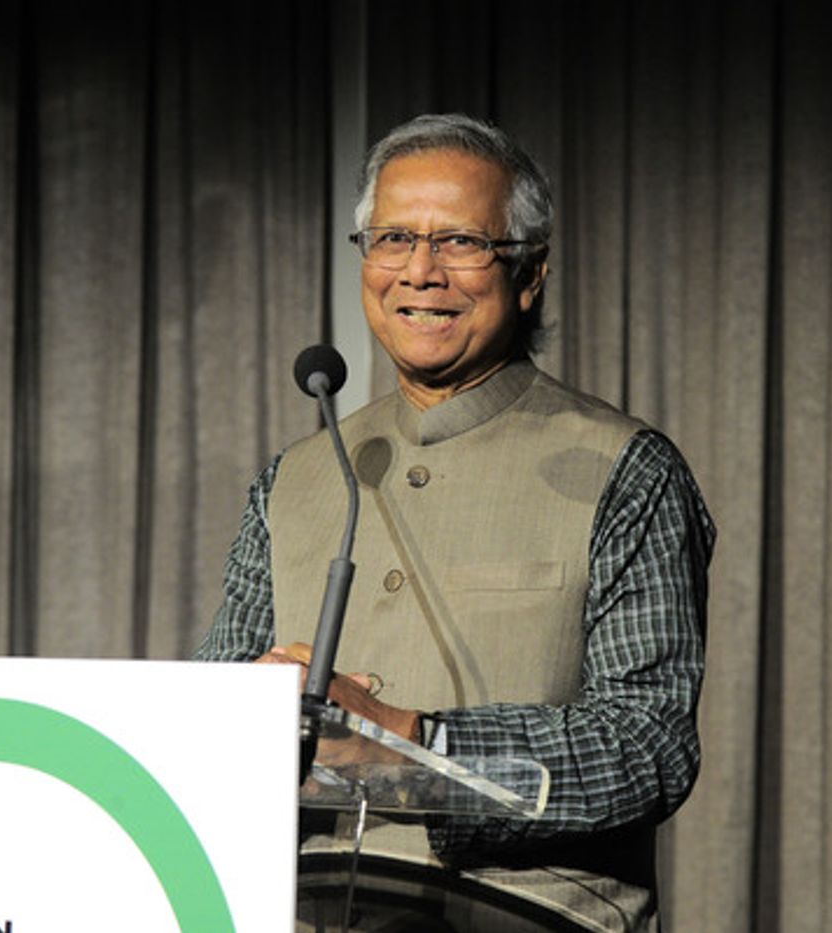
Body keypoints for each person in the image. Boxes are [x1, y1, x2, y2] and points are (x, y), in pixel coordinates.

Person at [196, 113, 714, 933]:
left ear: (529, 275)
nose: (420, 272)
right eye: (393, 238)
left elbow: (647, 746)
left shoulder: (627, 469)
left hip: (520, 915)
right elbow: (207, 726)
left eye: (461, 242)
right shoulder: (296, 476)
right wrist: (247, 711)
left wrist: (413, 741)